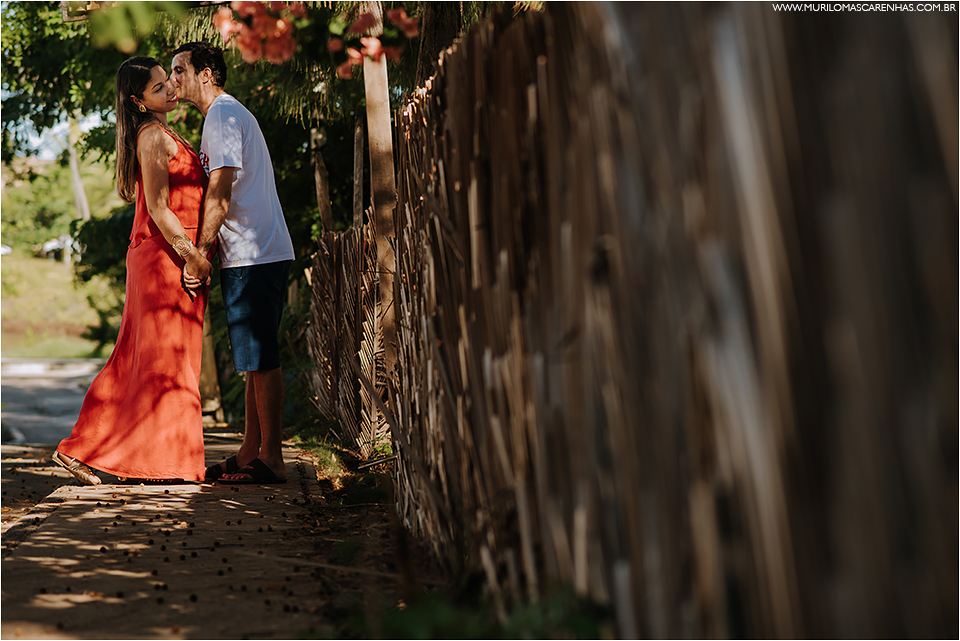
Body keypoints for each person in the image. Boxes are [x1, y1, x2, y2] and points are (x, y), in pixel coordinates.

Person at [53, 57, 213, 484]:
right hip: (165, 258)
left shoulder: (163, 132)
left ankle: (116, 454)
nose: (171, 90)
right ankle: (154, 460)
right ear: (136, 100)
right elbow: (160, 209)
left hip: (171, 255)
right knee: (161, 362)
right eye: (159, 88)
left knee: (149, 359)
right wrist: (191, 256)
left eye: (168, 82)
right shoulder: (151, 137)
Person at [170, 42, 295, 485]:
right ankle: (250, 451)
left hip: (253, 252)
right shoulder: (222, 115)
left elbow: (219, 194)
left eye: (179, 70)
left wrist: (199, 255)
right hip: (253, 251)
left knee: (261, 357)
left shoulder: (222, 114)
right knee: (252, 360)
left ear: (206, 73)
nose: (173, 79)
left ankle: (273, 459)